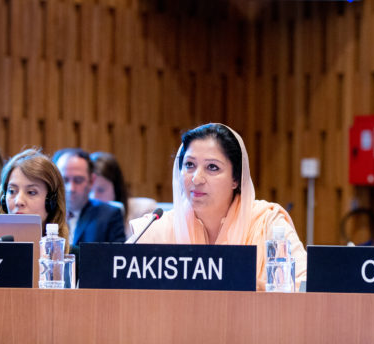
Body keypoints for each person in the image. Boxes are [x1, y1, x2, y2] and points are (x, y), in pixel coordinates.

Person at [128, 123, 307, 292]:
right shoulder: (157, 228)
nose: (196, 178)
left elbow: (305, 284)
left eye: (212, 167)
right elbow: (118, 276)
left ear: (236, 179)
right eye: (189, 165)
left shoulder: (267, 222)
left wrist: (250, 285)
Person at [0, 149, 69, 247]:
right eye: (12, 191)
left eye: (31, 192)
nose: (18, 201)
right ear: (3, 199)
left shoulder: (75, 256)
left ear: (51, 202)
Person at [53, 148, 127, 245]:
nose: (71, 188)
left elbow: (118, 253)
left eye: (78, 180)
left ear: (91, 181)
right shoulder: (45, 213)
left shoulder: (109, 215)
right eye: (64, 180)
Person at [90, 151, 130, 220]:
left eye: (101, 190)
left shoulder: (142, 211)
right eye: (88, 190)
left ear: (116, 189)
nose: (93, 197)